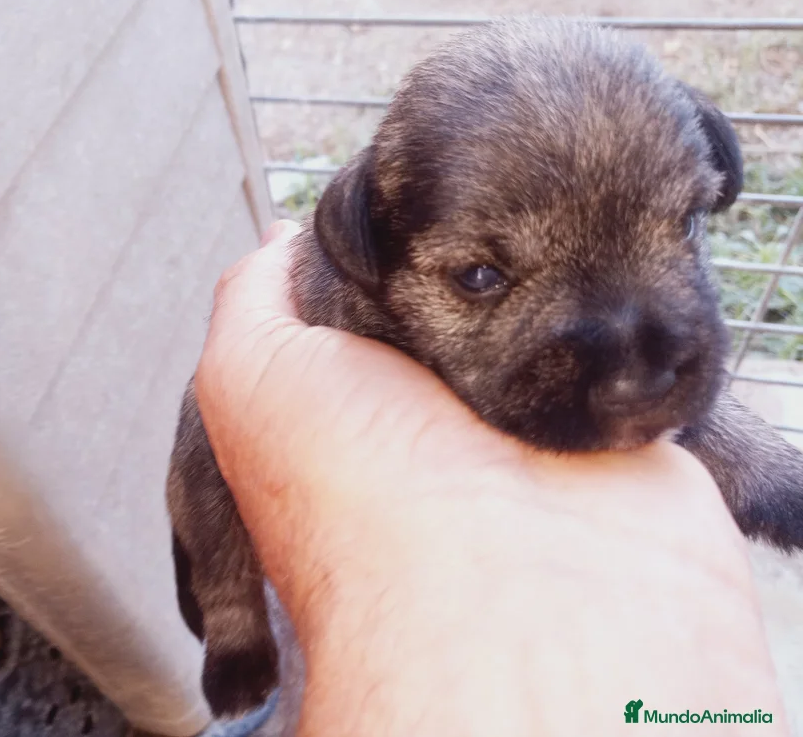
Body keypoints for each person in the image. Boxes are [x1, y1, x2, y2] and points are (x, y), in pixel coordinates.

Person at [192, 220, 789, 736]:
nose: (632, 379)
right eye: (480, 277)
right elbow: (202, 453)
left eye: (682, 225)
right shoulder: (318, 320)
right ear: (361, 240)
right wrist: (232, 620)